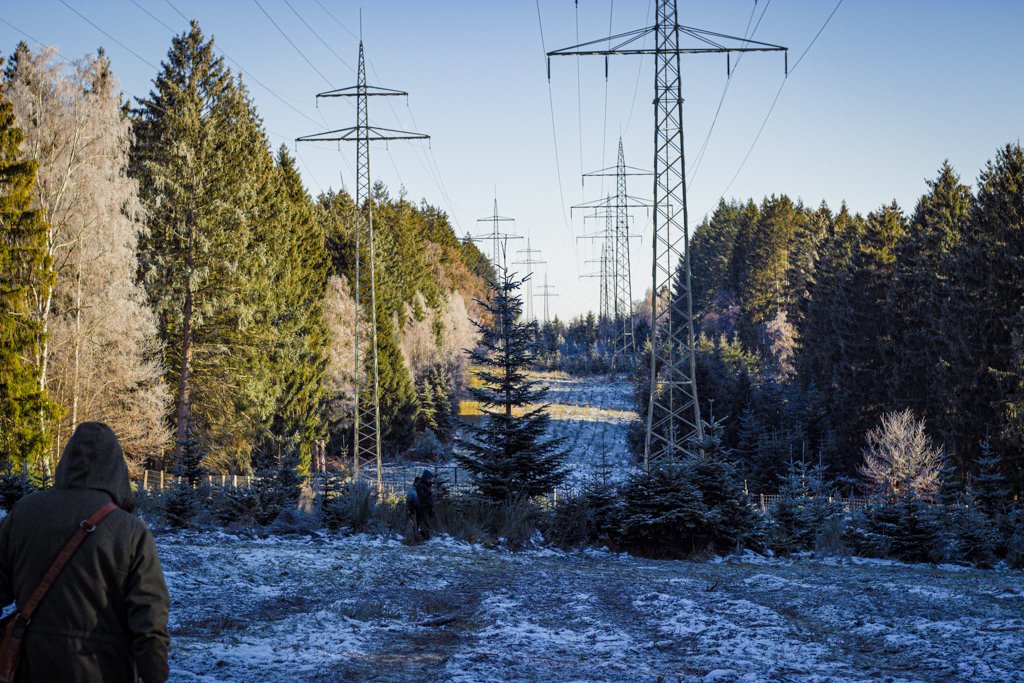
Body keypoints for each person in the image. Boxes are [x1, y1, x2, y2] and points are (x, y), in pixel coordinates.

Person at [0, 422, 170, 682]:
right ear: (117, 469)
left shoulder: (24, 513)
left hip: (33, 667)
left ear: (65, 462)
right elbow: (150, 626)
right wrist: (154, 676)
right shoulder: (131, 532)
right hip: (104, 670)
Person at [410, 469, 436, 541]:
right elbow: (422, 495)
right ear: (426, 478)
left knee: (426, 522)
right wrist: (430, 492)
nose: (430, 480)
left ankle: (425, 536)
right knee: (424, 522)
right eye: (429, 479)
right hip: (423, 507)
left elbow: (427, 489)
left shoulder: (425, 484)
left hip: (427, 507)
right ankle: (424, 537)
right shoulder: (421, 485)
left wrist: (431, 485)